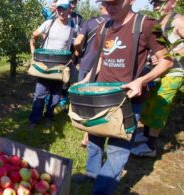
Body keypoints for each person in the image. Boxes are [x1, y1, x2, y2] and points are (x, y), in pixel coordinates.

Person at [72, 0, 173, 194]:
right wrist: (86, 79)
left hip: (128, 100)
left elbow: (166, 61)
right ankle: (92, 174)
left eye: (115, 2)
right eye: (105, 3)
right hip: (101, 96)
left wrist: (141, 81)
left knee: (117, 149)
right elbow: (103, 58)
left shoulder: (147, 25)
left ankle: (102, 189)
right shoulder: (103, 27)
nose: (110, 6)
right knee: (94, 139)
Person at [132, 0, 184, 157]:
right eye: (154, 2)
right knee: (150, 102)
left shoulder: (179, 20)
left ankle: (150, 147)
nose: (156, 5)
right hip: (159, 70)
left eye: (160, 2)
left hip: (174, 72)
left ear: (173, 3)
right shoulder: (160, 20)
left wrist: (170, 57)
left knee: (159, 107)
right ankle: (146, 135)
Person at [29, 0, 74, 128]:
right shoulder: (49, 23)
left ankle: (49, 115)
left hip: (60, 66)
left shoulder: (71, 26)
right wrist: (34, 54)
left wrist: (71, 58)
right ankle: (34, 119)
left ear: (69, 9)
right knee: (40, 93)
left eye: (63, 9)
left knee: (55, 95)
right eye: (59, 9)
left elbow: (70, 45)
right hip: (45, 65)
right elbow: (33, 36)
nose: (61, 11)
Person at [73, 3, 110, 147]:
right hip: (105, 66)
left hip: (87, 63)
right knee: (97, 99)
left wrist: (79, 52)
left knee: (84, 97)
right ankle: (88, 134)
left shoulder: (90, 22)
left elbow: (77, 41)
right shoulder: (116, 23)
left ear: (101, 6)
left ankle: (82, 124)